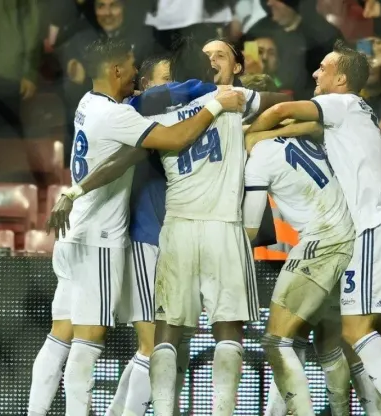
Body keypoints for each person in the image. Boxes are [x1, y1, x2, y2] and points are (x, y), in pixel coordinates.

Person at [28, 38, 244, 416]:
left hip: (76, 233)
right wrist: (217, 99)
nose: (139, 78)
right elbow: (175, 136)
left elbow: (127, 150)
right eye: (132, 68)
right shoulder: (123, 114)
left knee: (60, 336)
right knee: (91, 341)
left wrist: (73, 192)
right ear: (116, 71)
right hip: (101, 239)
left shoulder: (89, 104)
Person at [246, 40, 381, 416]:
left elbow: (285, 109)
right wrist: (268, 135)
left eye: (322, 68)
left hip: (370, 228)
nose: (315, 73)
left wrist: (246, 136)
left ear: (340, 78)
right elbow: (300, 124)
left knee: (354, 333)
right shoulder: (358, 112)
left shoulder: (340, 103)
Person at [144, 37, 263, 416]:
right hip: (223, 226)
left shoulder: (155, 111)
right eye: (208, 56)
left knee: (168, 328)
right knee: (228, 328)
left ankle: (164, 410)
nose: (213, 61)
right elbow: (276, 103)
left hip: (178, 227)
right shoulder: (234, 99)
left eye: (220, 55)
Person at [241, 124, 355, 415]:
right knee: (325, 344)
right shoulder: (308, 141)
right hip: (349, 242)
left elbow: (250, 230)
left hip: (320, 244)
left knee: (276, 341)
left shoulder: (260, 158)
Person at [104, 55, 171, 416]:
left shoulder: (171, 114)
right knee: (153, 345)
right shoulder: (133, 111)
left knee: (154, 345)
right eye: (165, 79)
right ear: (144, 84)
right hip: (144, 238)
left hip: (165, 239)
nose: (172, 85)